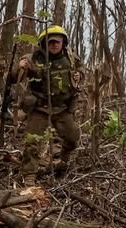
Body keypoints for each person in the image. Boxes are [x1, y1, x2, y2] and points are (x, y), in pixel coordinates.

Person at [10, 25, 82, 186]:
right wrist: (20, 67)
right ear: (44, 44)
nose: (54, 45)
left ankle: (63, 161)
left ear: (64, 42)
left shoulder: (71, 58)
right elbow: (14, 77)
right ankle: (29, 176)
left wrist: (79, 75)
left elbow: (81, 69)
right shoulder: (34, 58)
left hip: (63, 107)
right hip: (39, 108)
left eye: (57, 42)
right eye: (51, 42)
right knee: (32, 142)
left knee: (72, 137)